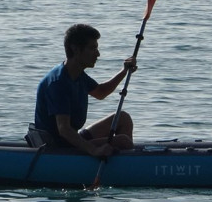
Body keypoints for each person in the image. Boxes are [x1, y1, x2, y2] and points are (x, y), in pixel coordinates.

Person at [34, 23, 137, 157]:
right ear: (76, 49)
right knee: (124, 142)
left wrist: (124, 71)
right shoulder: (58, 83)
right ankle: (123, 165)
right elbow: (64, 129)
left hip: (71, 140)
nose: (98, 54)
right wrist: (94, 150)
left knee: (123, 118)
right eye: (92, 48)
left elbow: (100, 92)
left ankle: (120, 162)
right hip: (58, 148)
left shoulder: (77, 75)